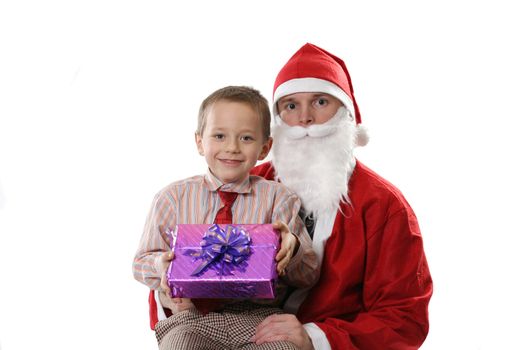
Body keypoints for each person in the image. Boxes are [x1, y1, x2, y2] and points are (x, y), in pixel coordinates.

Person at [250, 43, 433, 349]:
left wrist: (315, 338)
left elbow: (404, 317)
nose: (305, 119)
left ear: (344, 112)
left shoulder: (384, 206)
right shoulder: (250, 184)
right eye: (291, 106)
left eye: (320, 102)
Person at [132, 86, 319, 349]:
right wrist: (161, 266)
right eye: (219, 136)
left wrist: (293, 249)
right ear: (199, 142)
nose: (231, 148)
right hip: (190, 318)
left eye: (246, 138)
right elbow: (140, 263)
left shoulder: (280, 199)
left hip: (259, 319)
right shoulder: (171, 199)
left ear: (265, 147)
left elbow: (309, 275)